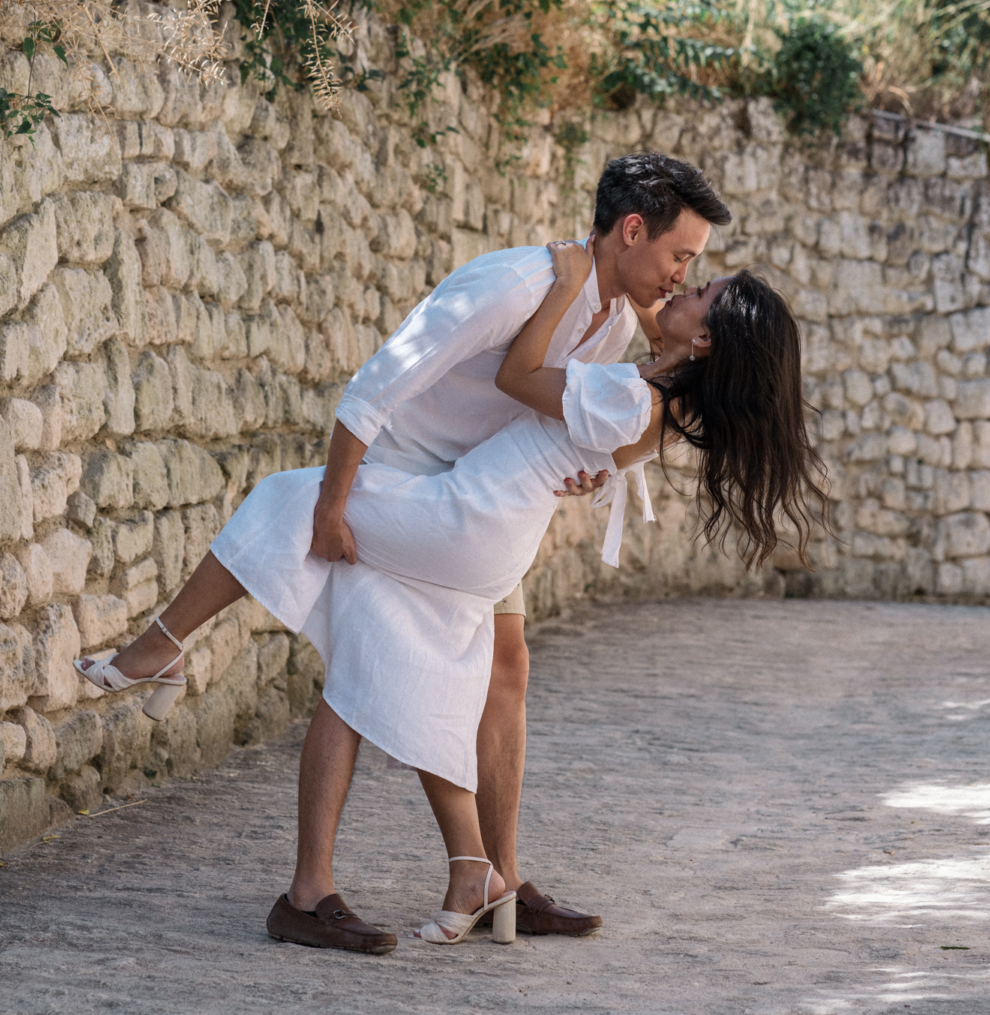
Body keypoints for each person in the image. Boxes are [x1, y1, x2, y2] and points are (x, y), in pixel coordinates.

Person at [74, 241, 827, 954]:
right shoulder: (651, 395)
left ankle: (160, 649)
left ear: (706, 345)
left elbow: (518, 377)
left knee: (285, 499)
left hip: (463, 519)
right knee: (420, 663)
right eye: (686, 265)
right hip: (484, 530)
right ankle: (474, 872)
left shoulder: (631, 387)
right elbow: (586, 439)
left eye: (700, 289)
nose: (685, 282)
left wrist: (565, 290)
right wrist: (593, 460)